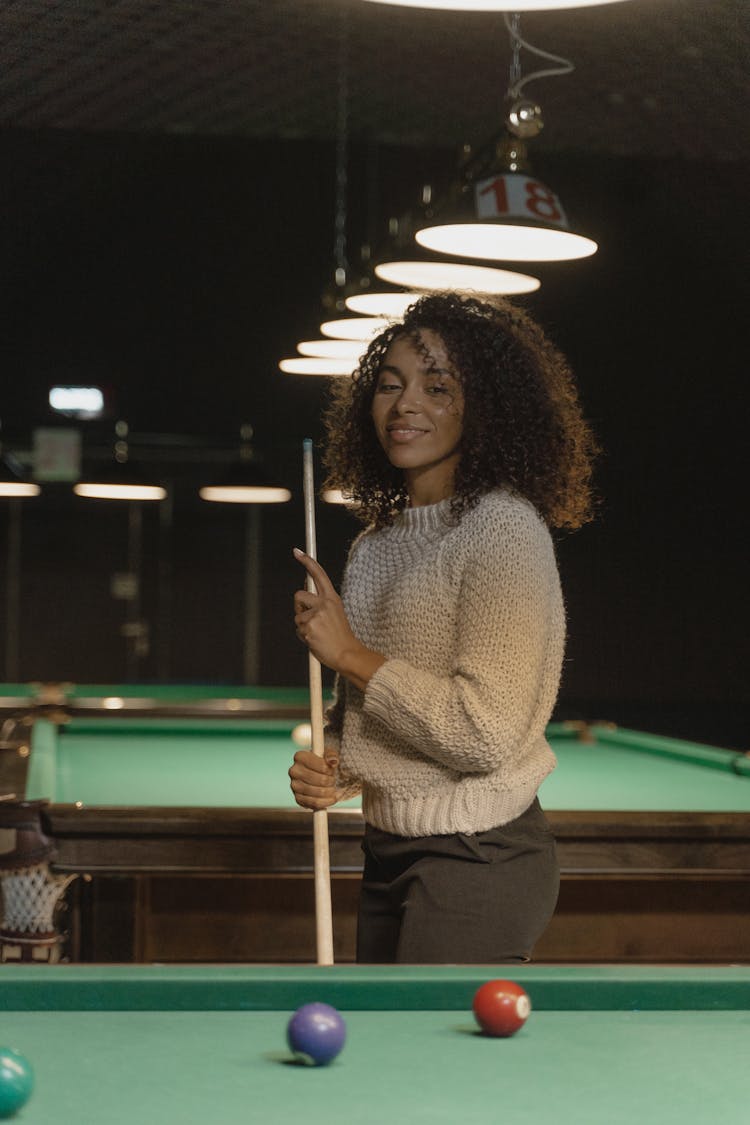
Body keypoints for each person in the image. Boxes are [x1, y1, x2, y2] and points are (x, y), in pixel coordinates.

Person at [290, 291, 597, 964]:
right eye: (391, 385)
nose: (405, 405)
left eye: (437, 386)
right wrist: (336, 767)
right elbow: (369, 717)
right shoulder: (375, 544)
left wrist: (351, 654)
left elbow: (482, 732)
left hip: (478, 856)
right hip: (386, 846)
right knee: (390, 1063)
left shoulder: (504, 530)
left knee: (428, 1065)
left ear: (483, 406)